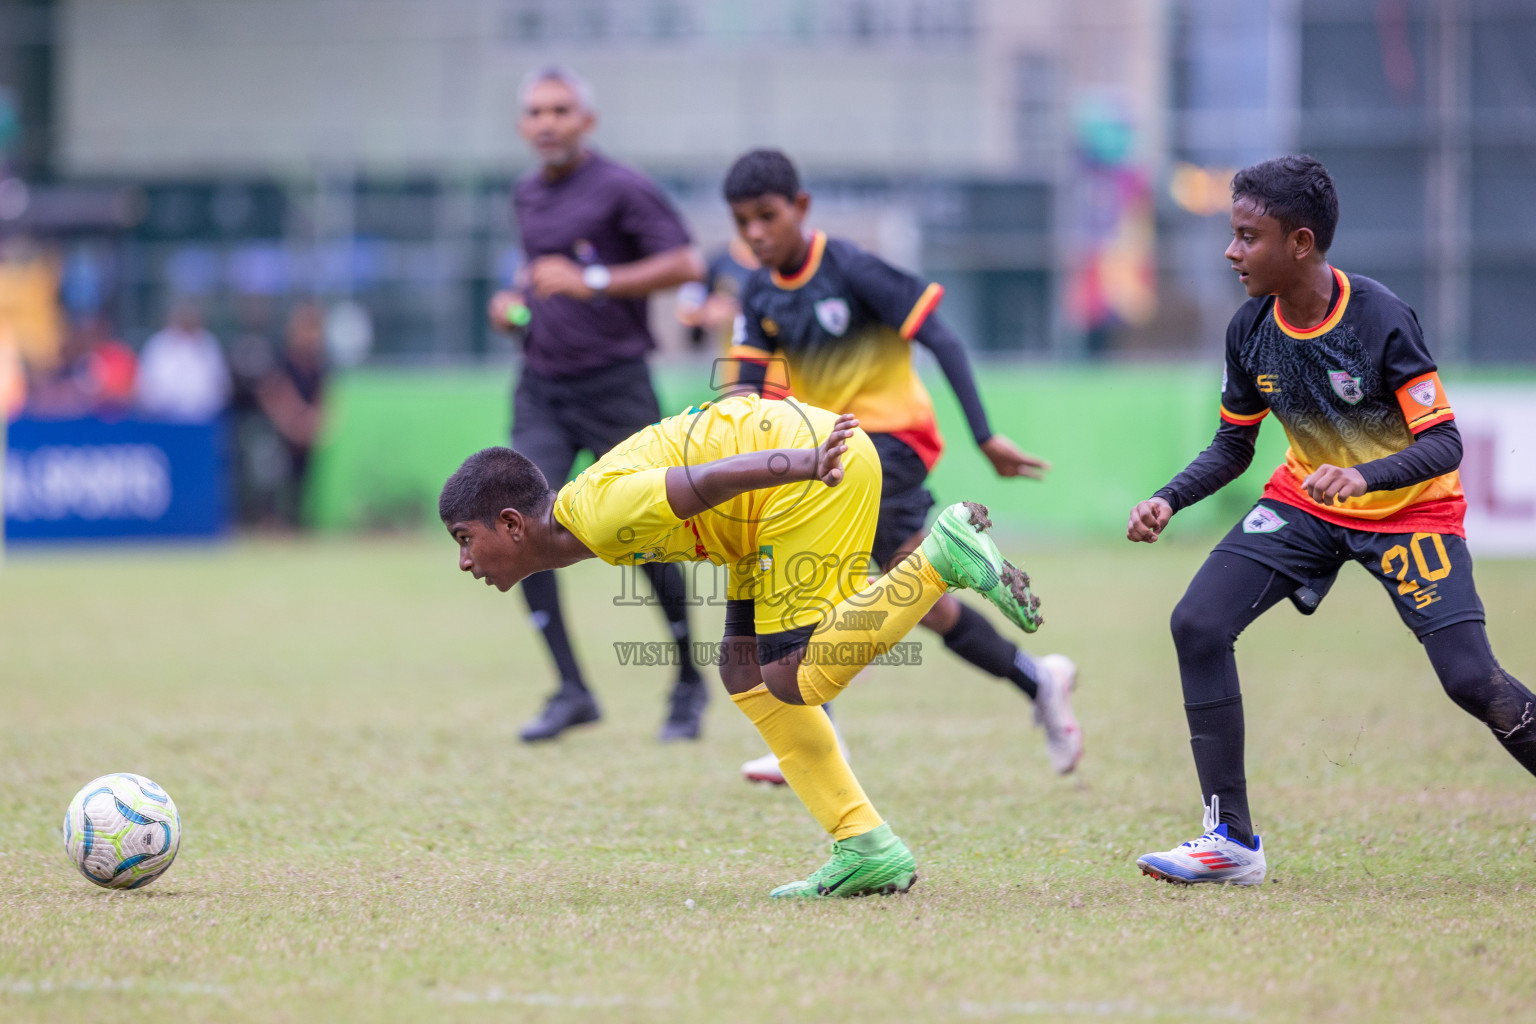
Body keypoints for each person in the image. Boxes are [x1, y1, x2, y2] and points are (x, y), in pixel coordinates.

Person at [440, 393, 1043, 897]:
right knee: (744, 672)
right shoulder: (587, 514)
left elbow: (707, 479)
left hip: (806, 477)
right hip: (766, 507)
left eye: (465, 539)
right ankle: (866, 846)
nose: (465, 561)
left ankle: (939, 560)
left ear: (513, 524)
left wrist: (805, 462)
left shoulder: (594, 513)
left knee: (792, 678)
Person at [1125, 155, 1536, 885]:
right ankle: (1231, 841)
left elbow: (1444, 441)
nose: (1231, 252)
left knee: (1471, 680)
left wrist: (1364, 474)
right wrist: (1169, 498)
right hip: (1306, 504)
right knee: (1197, 624)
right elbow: (1233, 445)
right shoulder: (1250, 328)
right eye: (1232, 234)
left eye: (1248, 237)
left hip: (1412, 513)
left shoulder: (1380, 318)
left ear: (1301, 244)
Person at [721, 149, 1083, 784]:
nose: (755, 232)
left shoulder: (852, 268)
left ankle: (818, 730)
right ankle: (1039, 679)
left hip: (892, 439)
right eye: (742, 221)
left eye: (767, 216)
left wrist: (985, 434)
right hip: (831, 450)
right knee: (924, 598)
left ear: (800, 208)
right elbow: (744, 392)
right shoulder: (757, 292)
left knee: (807, 552)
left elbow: (938, 334)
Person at [487, 65, 708, 743]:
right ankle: (572, 691)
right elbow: (541, 285)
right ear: (524, 125)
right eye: (535, 111)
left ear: (586, 120)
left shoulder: (621, 187)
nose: (547, 122)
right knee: (514, 528)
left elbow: (686, 264)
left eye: (560, 109)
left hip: (615, 384)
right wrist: (515, 312)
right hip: (542, 387)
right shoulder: (527, 194)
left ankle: (688, 685)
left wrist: (596, 279)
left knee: (646, 537)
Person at [255, 302, 329, 527]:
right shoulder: (281, 357)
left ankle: (298, 522)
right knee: (275, 475)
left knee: (303, 480)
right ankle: (270, 520)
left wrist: (313, 421)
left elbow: (324, 397)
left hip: (305, 431)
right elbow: (272, 392)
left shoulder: (320, 363)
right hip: (277, 431)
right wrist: (291, 422)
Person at [135, 300, 230, 423]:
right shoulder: (157, 344)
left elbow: (221, 385)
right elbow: (145, 384)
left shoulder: (209, 344)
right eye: (183, 314)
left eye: (190, 315)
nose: (186, 319)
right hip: (162, 421)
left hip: (203, 421)